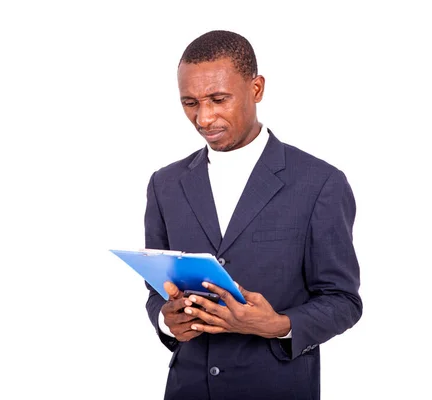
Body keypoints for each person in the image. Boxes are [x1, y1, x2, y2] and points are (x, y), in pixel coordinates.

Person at [143, 30, 362, 400]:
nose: (204, 117)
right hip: (187, 389)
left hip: (276, 388)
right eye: (190, 102)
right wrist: (167, 320)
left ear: (256, 88)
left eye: (218, 99)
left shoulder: (320, 182)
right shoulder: (165, 184)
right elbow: (155, 289)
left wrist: (278, 324)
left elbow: (343, 300)